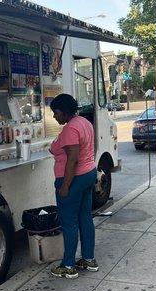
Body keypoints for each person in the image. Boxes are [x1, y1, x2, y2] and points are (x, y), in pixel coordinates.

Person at [48, 94, 98, 279]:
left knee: (69, 223)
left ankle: (68, 265)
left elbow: (72, 160)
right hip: (88, 173)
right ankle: (88, 259)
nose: (54, 117)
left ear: (63, 111)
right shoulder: (84, 122)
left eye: (56, 113)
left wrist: (65, 186)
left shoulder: (70, 129)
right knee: (85, 217)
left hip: (73, 178)